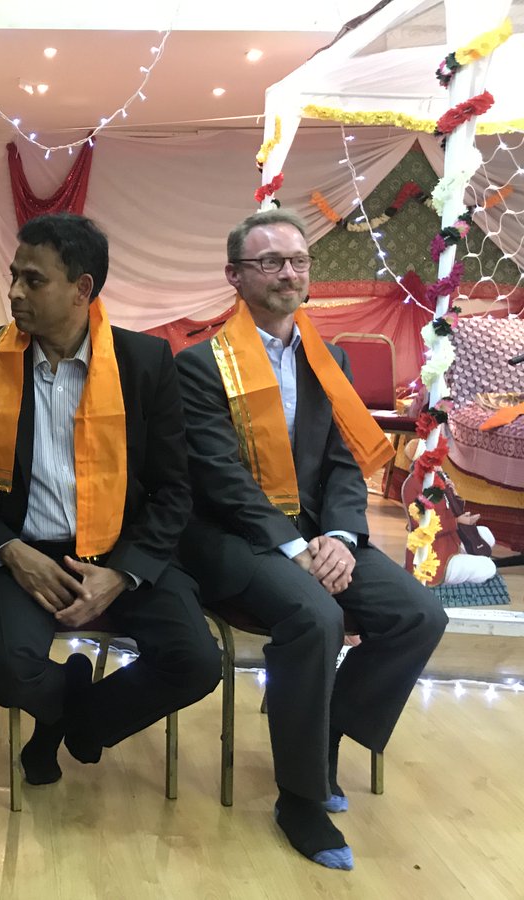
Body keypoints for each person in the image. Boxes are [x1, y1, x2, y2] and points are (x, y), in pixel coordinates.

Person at [175, 208, 447, 871]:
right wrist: (295, 548)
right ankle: (299, 797)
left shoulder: (330, 358)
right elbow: (219, 478)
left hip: (318, 530)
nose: (288, 273)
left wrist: (341, 536)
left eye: (298, 260)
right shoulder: (201, 365)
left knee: (418, 614)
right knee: (315, 614)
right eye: (269, 261)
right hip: (230, 537)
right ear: (235, 275)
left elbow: (341, 462)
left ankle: (320, 736)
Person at [0, 212, 220, 788]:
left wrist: (123, 573)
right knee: (4, 672)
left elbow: (173, 489)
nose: (14, 292)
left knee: (198, 662)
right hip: (21, 551)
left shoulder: (143, 364)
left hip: (121, 550)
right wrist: (10, 551)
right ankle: (73, 700)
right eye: (14, 276)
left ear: (82, 288)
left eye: (33, 280)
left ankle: (75, 723)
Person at [401, 438, 496, 585]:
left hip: (451, 541)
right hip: (435, 555)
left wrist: (453, 493)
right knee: (488, 567)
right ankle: (450, 573)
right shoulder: (412, 486)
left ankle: (464, 559)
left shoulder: (436, 478)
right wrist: (457, 522)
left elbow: (450, 509)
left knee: (487, 534)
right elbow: (423, 528)